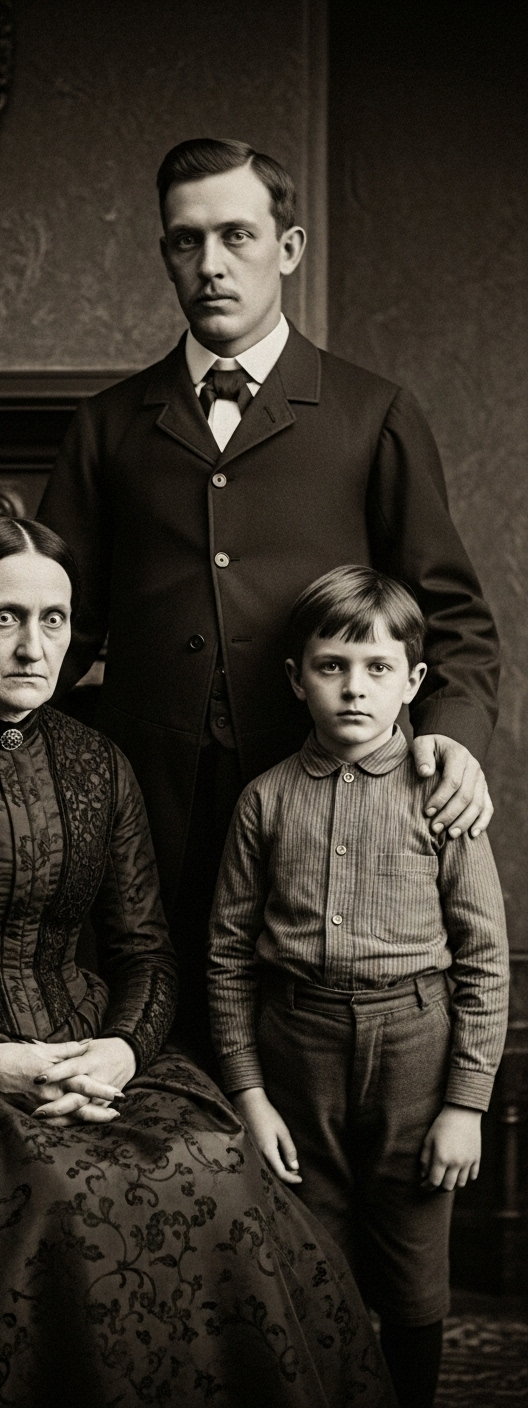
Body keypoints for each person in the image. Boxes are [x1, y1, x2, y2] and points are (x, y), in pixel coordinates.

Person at [0, 137, 499, 1064]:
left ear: (289, 247)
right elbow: (51, 612)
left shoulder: (373, 414)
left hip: (324, 794)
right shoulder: (109, 424)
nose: (211, 264)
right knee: (167, 1036)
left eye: (236, 235)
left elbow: (455, 614)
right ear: (164, 253)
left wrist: (455, 740)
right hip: (148, 800)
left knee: (302, 1056)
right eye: (185, 242)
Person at [0, 519, 396, 1408]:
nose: (34, 645)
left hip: (88, 1049)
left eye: (54, 620)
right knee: (51, 1190)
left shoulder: (100, 765)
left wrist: (123, 1051)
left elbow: (145, 952)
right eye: (5, 617)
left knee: (212, 1160)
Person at [207, 565, 509, 1408]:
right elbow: (228, 956)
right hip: (295, 1046)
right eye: (332, 666)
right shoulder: (264, 803)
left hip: (416, 1045)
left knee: (413, 1267)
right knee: (311, 1256)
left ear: (413, 680)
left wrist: (466, 1105)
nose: (353, 689)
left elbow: (485, 957)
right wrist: (251, 1094)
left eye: (377, 669)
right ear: (296, 680)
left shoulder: (440, 798)